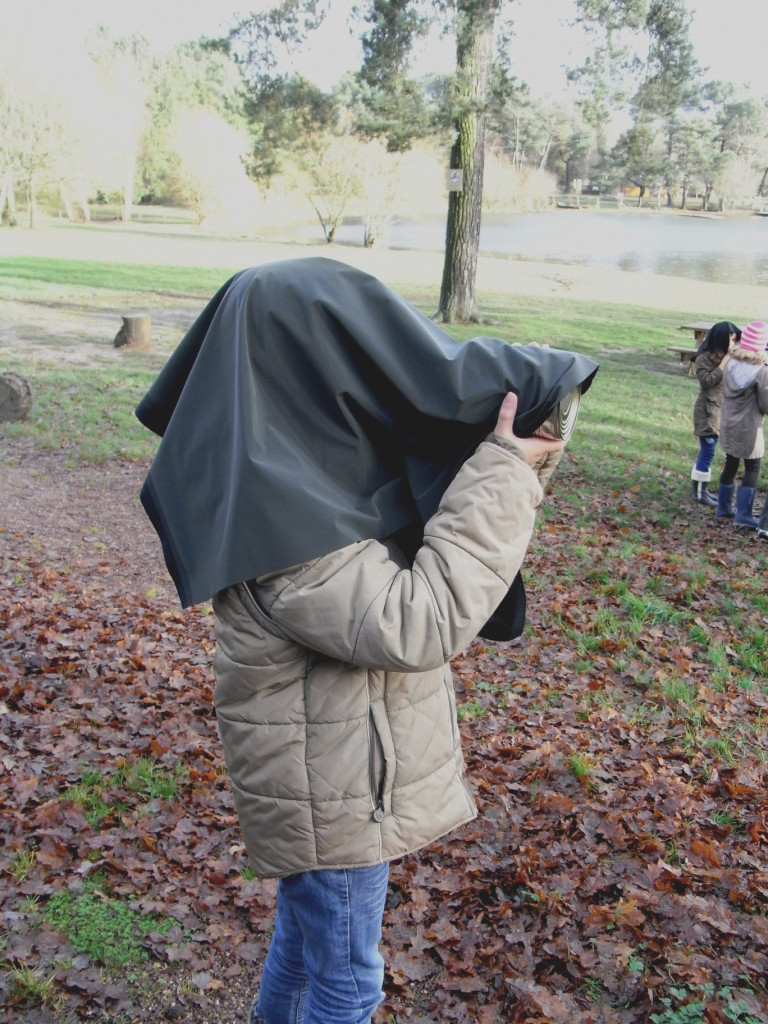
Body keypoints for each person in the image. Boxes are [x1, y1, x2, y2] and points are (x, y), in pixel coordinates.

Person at [135, 258, 598, 1024]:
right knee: (348, 986)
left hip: (332, 781)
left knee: (302, 947)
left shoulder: (289, 473)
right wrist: (507, 471)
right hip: (334, 798)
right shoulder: (282, 528)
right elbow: (422, 619)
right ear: (310, 370)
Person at [716, 320, 768, 528]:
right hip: (748, 427)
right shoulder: (761, 371)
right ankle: (744, 514)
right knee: (753, 466)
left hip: (729, 421)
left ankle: (724, 507)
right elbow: (766, 405)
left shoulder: (730, 363)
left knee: (731, 462)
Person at [690, 320, 740, 505]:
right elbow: (707, 381)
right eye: (731, 339)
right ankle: (698, 492)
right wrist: (725, 361)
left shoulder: (726, 357)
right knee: (708, 450)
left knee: (710, 450)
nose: (733, 344)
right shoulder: (703, 357)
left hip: (720, 412)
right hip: (707, 412)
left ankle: (702, 489)